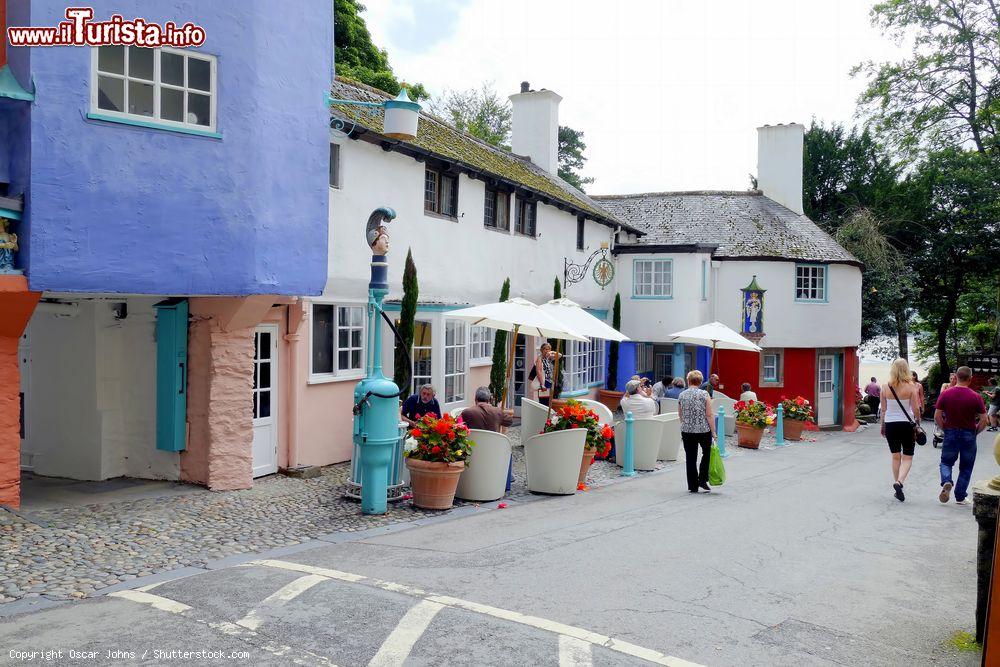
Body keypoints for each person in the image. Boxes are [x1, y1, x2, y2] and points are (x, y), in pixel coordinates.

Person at [935, 366, 988, 505]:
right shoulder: (975, 396)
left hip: (951, 431)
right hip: (968, 433)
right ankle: (960, 496)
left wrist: (945, 428)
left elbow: (937, 416)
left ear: (956, 377)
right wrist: (976, 431)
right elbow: (984, 419)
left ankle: (947, 480)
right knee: (966, 466)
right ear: (970, 379)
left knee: (946, 462)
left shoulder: (945, 394)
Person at [880, 359, 922, 502]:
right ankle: (900, 482)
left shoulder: (885, 387)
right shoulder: (911, 387)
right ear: (906, 370)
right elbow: (916, 408)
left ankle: (898, 486)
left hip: (891, 424)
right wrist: (917, 422)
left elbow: (883, 410)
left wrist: (882, 426)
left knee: (895, 456)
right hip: (906, 424)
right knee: (908, 456)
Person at [678, 370, 716, 493]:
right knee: (707, 453)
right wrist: (714, 432)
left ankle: (693, 485)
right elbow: (709, 414)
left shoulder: (682, 395)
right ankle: (702, 478)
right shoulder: (705, 394)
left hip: (687, 430)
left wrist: (686, 423)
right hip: (703, 429)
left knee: (690, 457)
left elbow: (680, 414)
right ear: (700, 382)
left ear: (688, 380)